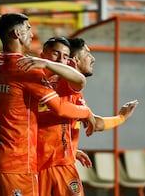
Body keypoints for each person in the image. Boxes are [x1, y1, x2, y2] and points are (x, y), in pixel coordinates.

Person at [0, 13, 96, 196]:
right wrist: (86, 112)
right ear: (16, 34)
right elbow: (59, 107)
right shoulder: (27, 69)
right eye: (27, 29)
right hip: (17, 163)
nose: (32, 34)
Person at [17, 37, 138, 196]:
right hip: (59, 167)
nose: (92, 58)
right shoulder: (68, 84)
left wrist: (71, 149)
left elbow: (93, 122)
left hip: (36, 166)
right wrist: (120, 118)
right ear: (74, 60)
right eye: (87, 53)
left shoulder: (40, 83)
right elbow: (90, 117)